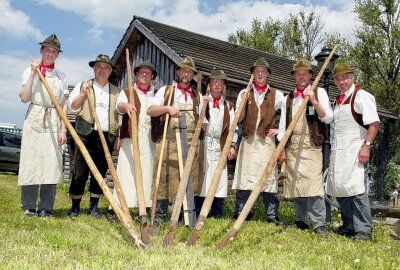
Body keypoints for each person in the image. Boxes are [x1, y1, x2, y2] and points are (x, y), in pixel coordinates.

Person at [278, 58, 333, 235]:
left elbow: (328, 118)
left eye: (305, 73)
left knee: (314, 186)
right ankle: (300, 221)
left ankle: (319, 223)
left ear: (310, 75)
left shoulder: (320, 92)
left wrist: (314, 101)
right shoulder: (289, 98)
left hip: (312, 147)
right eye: (298, 74)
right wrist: (281, 149)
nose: (301, 76)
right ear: (294, 76)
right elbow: (282, 127)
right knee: (297, 186)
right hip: (293, 146)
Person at [326, 63, 380, 241]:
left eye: (345, 77)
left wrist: (367, 146)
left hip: (356, 150)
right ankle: (349, 225)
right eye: (338, 78)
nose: (342, 81)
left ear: (352, 77)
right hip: (340, 152)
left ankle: (363, 229)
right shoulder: (338, 99)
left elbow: (374, 124)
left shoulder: (362, 96)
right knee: (342, 188)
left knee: (357, 189)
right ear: (335, 81)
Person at [147, 56, 203, 226]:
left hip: (190, 144)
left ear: (193, 75)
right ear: (178, 71)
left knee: (186, 179)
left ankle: (181, 216)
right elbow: (150, 111)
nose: (186, 73)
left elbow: (203, 122)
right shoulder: (166, 90)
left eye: (189, 71)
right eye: (183, 69)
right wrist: (167, 109)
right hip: (168, 142)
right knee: (164, 178)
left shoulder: (197, 96)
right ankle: (159, 217)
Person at [18, 34, 68, 217]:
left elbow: (62, 104)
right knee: (31, 160)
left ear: (57, 55)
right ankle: (29, 205)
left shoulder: (61, 77)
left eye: (54, 51)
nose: (50, 53)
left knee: (51, 162)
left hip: (54, 119)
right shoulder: (30, 70)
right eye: (47, 49)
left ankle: (46, 207)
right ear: (41, 51)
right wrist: (33, 74)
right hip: (35, 116)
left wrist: (63, 129)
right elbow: (24, 97)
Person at [232, 57, 285, 225]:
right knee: (244, 177)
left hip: (266, 142)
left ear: (268, 74)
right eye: (257, 71)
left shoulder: (277, 95)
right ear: (253, 74)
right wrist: (243, 102)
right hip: (248, 141)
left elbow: (287, 114)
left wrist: (280, 131)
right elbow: (238, 119)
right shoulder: (244, 92)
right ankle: (242, 212)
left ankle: (271, 214)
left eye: (263, 71)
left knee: (268, 178)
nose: (260, 74)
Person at [67, 54, 120, 218]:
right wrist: (83, 94)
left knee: (100, 172)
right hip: (85, 134)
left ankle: (93, 207)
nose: (102, 70)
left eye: (106, 68)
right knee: (80, 171)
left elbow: (121, 117)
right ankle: (75, 206)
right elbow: (73, 108)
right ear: (94, 68)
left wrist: (118, 137)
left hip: (107, 136)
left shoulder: (116, 91)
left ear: (110, 71)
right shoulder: (84, 85)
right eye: (99, 67)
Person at [112, 59, 157, 209]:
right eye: (142, 72)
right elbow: (118, 106)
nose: (145, 75)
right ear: (137, 74)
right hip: (131, 138)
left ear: (152, 76)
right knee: (126, 172)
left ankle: (146, 206)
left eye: (148, 73)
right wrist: (125, 105)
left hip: (149, 139)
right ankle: (122, 205)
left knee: (147, 172)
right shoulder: (127, 92)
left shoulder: (156, 94)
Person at [195, 69, 237, 218]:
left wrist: (232, 146)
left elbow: (233, 128)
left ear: (224, 86)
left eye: (220, 82)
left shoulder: (228, 106)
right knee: (203, 177)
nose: (217, 85)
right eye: (214, 82)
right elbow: (200, 123)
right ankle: (199, 212)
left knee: (220, 178)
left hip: (221, 145)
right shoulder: (202, 101)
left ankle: (217, 213)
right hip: (205, 144)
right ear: (209, 85)